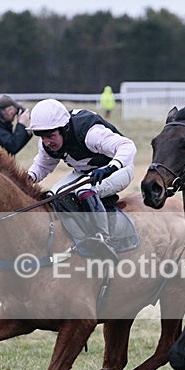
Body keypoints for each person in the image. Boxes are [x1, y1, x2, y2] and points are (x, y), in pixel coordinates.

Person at [26, 98, 136, 260]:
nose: (46, 142)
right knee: (54, 195)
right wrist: (27, 178)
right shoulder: (46, 143)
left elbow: (128, 146)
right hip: (85, 172)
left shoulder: (90, 133)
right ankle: (76, 237)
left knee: (84, 190)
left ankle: (103, 240)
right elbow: (42, 166)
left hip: (119, 168)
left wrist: (110, 168)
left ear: (64, 129)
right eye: (42, 137)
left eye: (50, 136)